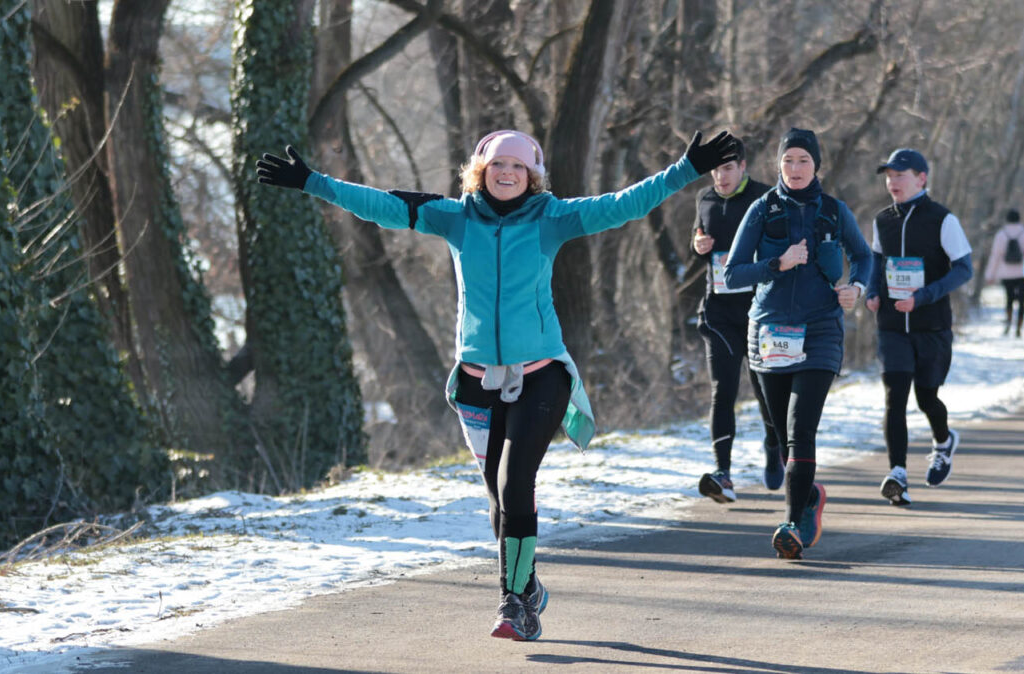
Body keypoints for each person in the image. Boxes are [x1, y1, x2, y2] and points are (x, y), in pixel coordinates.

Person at [256, 128, 740, 640]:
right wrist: (313, 182)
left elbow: (623, 204)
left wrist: (686, 169)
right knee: (498, 499)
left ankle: (514, 605)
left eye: (518, 168)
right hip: (476, 379)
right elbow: (383, 204)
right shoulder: (456, 218)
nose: (506, 174)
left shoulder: (551, 218)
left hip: (542, 375)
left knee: (515, 485)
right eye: (496, 166)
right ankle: (527, 585)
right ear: (479, 171)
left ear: (532, 176)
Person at [723, 128, 872, 559]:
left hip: (821, 329)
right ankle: (807, 497)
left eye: (803, 160)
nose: (795, 169)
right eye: (788, 161)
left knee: (800, 430)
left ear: (816, 165)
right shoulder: (761, 209)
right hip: (769, 331)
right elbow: (732, 274)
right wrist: (778, 263)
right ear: (777, 166)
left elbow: (864, 257)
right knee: (778, 431)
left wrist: (856, 287)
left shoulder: (833, 211)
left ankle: (791, 524)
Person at [865, 149, 972, 507]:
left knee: (927, 398)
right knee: (895, 397)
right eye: (889, 175)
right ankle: (898, 474)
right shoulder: (882, 220)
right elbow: (877, 262)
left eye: (900, 175)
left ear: (921, 178)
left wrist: (924, 295)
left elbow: (963, 268)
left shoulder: (943, 219)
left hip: (931, 325)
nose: (892, 182)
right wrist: (873, 291)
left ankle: (943, 442)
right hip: (893, 325)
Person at [689, 142, 783, 503]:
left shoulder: (765, 198)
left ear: (743, 166)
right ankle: (723, 472)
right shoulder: (705, 199)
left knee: (764, 391)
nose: (720, 176)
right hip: (718, 314)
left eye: (727, 168)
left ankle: (773, 444)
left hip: (759, 311)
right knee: (722, 390)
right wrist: (697, 245)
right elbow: (699, 243)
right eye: (715, 170)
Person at [984, 208, 1024, 338]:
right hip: (1023, 272)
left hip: (1006, 273)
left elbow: (995, 256)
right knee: (1022, 300)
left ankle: (1008, 322)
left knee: (1009, 299)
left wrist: (990, 275)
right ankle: (1019, 327)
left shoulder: (1001, 235)